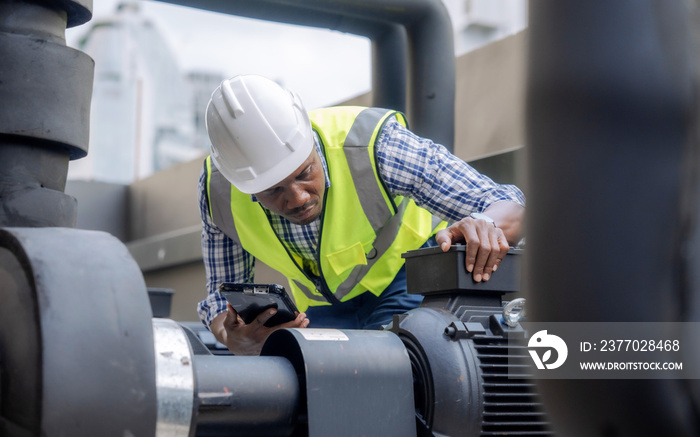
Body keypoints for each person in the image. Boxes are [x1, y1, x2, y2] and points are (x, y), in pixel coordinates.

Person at [197, 74, 525, 355]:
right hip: (325, 305)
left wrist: (488, 225)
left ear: (309, 138)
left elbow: (504, 200)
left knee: (408, 371)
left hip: (408, 280)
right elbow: (218, 295)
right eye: (273, 190)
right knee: (311, 385)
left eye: (304, 173)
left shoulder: (372, 144)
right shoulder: (218, 192)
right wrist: (231, 337)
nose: (297, 198)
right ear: (244, 186)